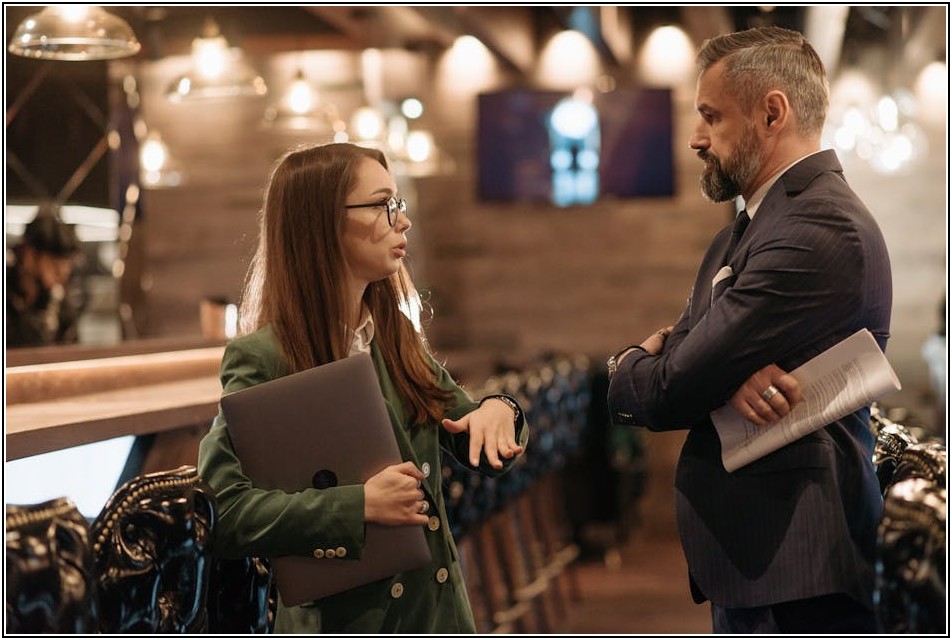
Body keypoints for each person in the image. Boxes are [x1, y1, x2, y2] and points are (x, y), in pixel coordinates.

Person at [607, 27, 891, 634]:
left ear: (771, 112)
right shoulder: (749, 226)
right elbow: (693, 357)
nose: (694, 139)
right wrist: (714, 374)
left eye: (711, 116)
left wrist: (634, 361)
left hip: (797, 564)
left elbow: (669, 387)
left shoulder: (816, 226)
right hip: (767, 558)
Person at [197, 142, 528, 634]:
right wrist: (358, 506)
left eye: (399, 204)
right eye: (383, 204)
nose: (403, 221)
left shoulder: (392, 335)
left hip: (436, 616)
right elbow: (223, 509)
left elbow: (471, 429)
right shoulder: (265, 356)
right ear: (321, 222)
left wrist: (500, 409)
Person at [6, 203, 82, 347]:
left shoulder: (61, 307)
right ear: (30, 256)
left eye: (65, 270)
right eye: (54, 267)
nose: (61, 277)